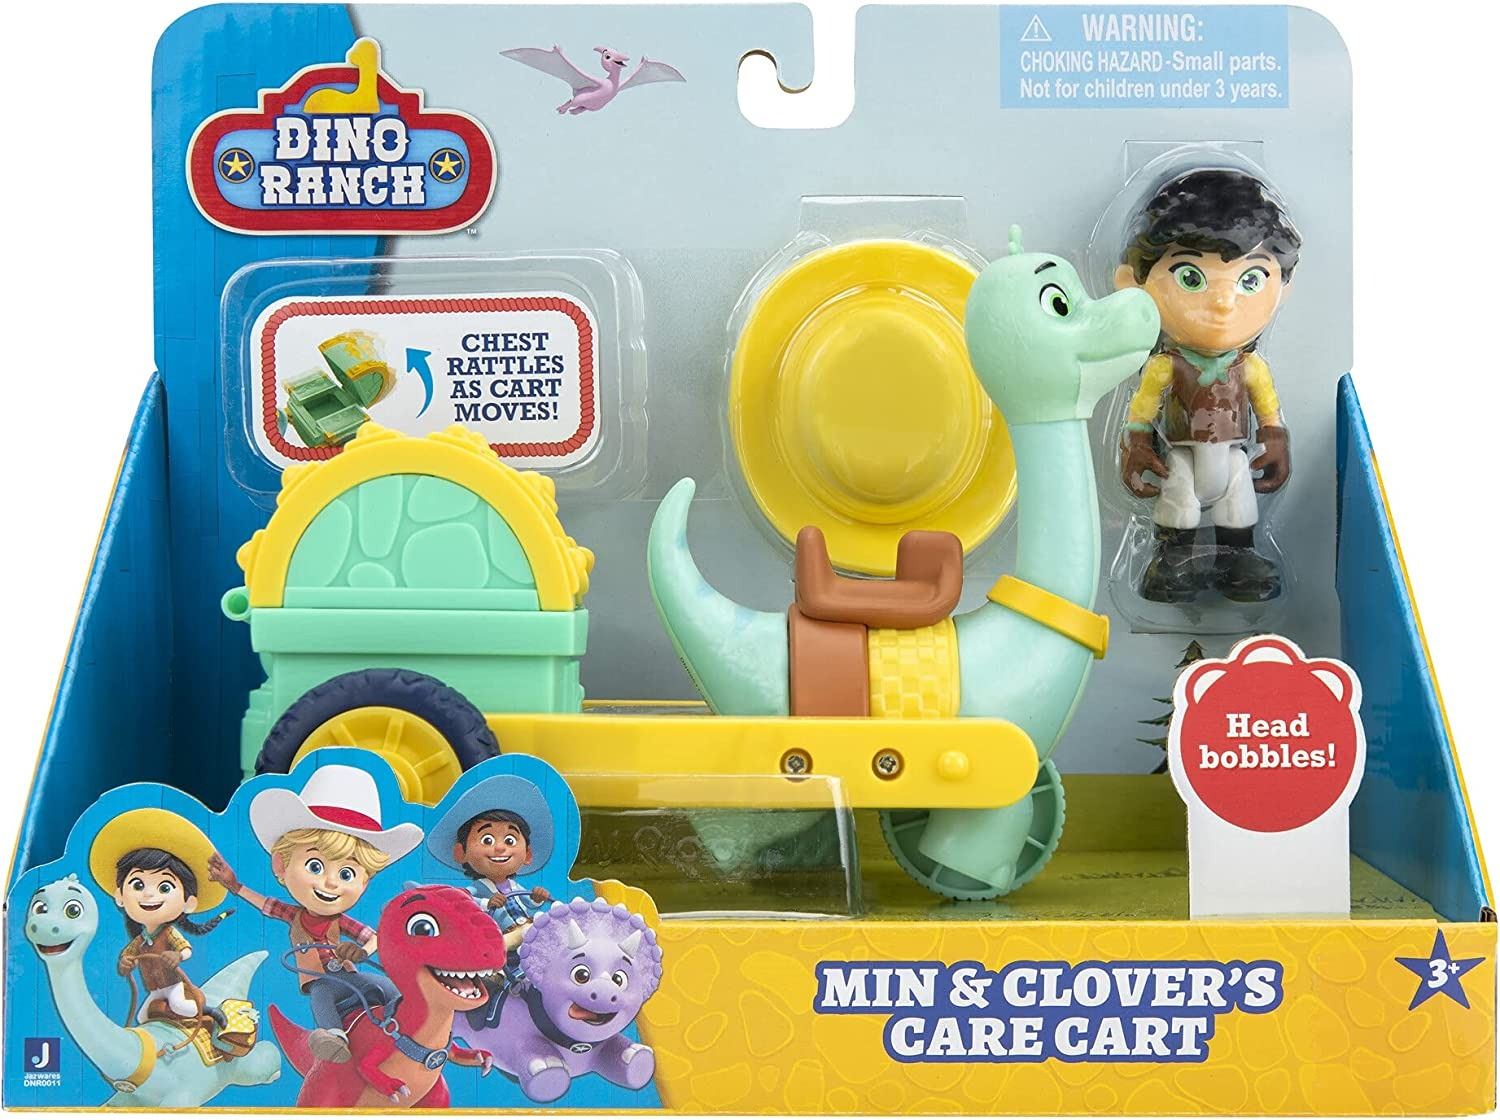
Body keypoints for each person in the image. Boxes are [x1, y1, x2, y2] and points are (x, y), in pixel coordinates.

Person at [1116, 167, 1302, 603]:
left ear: (1282, 289)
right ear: (1132, 284)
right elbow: (1141, 410)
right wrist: (1136, 444)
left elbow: (1267, 408)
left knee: (1238, 500)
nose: (1222, 303)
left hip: (1234, 455)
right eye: (1190, 277)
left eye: (1250, 280)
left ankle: (1239, 558)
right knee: (1178, 497)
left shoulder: (1250, 367)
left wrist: (1275, 439)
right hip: (1181, 454)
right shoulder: (1164, 367)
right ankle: (1174, 558)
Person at [208, 764, 422, 1064]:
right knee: (321, 998)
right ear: (281, 866)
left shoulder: (340, 921)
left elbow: (373, 937)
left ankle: (411, 1021)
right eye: (315, 866)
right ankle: (334, 1038)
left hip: (348, 974)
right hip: (321, 980)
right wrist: (236, 887)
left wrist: (361, 952)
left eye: (346, 873)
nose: (330, 883)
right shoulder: (294, 915)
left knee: (384, 985)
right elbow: (267, 904)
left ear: (364, 882)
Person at [427, 773, 555, 1027]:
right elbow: (463, 908)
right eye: (487, 839)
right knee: (499, 976)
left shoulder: (517, 888)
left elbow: (526, 907)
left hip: (529, 939)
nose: (499, 848)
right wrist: (488, 905)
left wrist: (536, 901)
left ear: (527, 854)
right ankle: (485, 1010)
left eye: (510, 840)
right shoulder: (474, 891)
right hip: (497, 947)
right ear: (461, 852)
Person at [88, 809, 233, 1027]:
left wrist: (178, 956)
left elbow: (185, 949)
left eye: (164, 887)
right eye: (138, 885)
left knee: (182, 1007)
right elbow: (128, 956)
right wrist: (125, 963)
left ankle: (210, 1012)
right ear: (120, 896)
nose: (148, 894)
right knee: (142, 1017)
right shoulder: (140, 940)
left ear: (188, 903)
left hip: (173, 985)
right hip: (155, 989)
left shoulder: (168, 933)